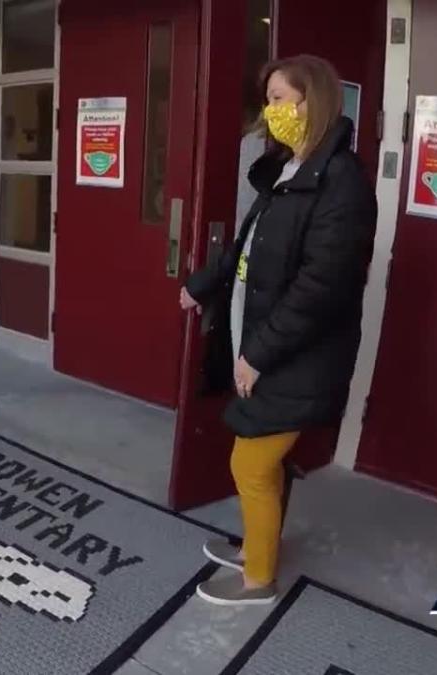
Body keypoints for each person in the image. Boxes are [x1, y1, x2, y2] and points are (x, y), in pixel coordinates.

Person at [180, 55, 377, 605]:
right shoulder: (288, 170)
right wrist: (201, 285)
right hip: (265, 344)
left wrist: (258, 354)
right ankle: (257, 546)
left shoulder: (342, 183)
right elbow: (246, 249)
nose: (270, 112)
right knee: (258, 458)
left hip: (294, 355)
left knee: (252, 463)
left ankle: (257, 580)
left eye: (278, 99)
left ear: (312, 101)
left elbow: (320, 288)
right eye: (267, 100)